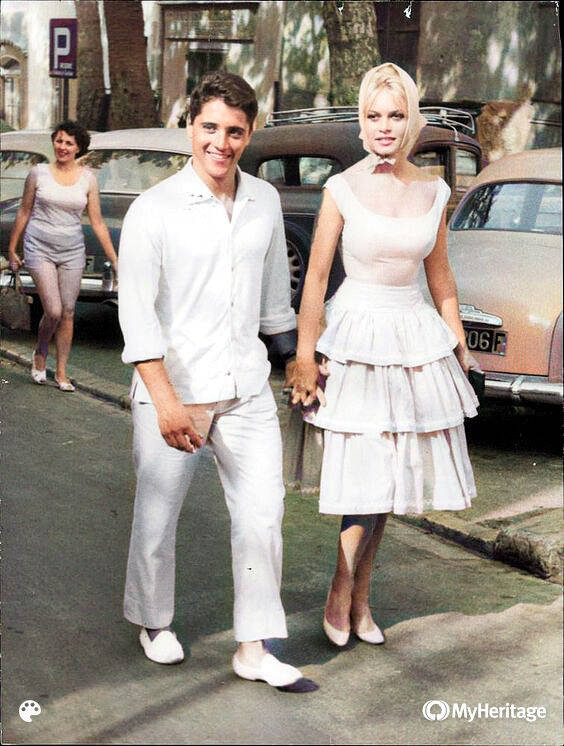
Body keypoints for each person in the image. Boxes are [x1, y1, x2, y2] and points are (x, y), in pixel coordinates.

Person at [118, 71, 316, 693]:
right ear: (189, 127)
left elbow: (274, 304)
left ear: (249, 133)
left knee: (262, 516)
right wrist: (166, 401)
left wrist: (297, 360)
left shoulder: (264, 201)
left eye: (234, 131)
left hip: (246, 388)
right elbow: (137, 315)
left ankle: (253, 647)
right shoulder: (154, 209)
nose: (221, 143)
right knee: (158, 516)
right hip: (174, 391)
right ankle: (154, 621)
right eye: (210, 128)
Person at [290, 63, 479, 647]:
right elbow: (315, 278)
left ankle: (362, 596)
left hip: (413, 339)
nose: (385, 127)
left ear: (411, 119)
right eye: (374, 116)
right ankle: (340, 587)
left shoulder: (434, 190)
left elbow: (441, 279)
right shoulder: (341, 188)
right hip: (354, 339)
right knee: (365, 474)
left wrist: (460, 348)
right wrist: (304, 355)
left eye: (396, 115)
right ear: (362, 121)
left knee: (391, 477)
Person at [7, 120, 117, 391]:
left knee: (68, 311)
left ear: (78, 148)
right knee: (53, 310)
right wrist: (12, 248)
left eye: (69, 143)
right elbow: (24, 210)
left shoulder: (88, 179)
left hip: (72, 251)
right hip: (39, 247)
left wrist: (115, 259)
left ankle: (62, 372)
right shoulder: (38, 174)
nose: (63, 147)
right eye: (59, 141)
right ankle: (41, 352)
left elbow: (97, 222)